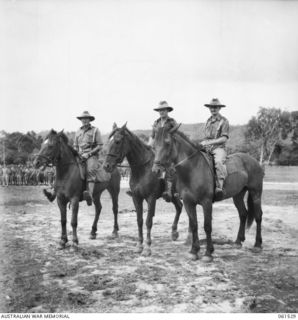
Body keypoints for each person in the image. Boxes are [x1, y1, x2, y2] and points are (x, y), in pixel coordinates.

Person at [44, 111, 103, 205]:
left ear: (89, 119)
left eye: (86, 118)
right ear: (81, 120)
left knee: (90, 170)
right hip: (79, 154)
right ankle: (54, 192)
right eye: (83, 119)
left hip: (91, 156)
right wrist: (75, 153)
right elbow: (75, 145)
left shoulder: (95, 130)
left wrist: (88, 154)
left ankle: (90, 195)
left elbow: (100, 145)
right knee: (64, 168)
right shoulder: (78, 131)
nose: (84, 120)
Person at [200, 98, 229, 199]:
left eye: (215, 107)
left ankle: (219, 187)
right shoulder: (208, 121)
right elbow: (206, 137)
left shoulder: (224, 121)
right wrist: (202, 143)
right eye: (211, 107)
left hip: (218, 148)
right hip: (206, 147)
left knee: (218, 162)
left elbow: (224, 138)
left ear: (219, 108)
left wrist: (209, 142)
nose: (213, 109)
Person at [149, 101, 178, 201]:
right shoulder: (156, 123)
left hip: (169, 148)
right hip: (158, 148)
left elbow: (176, 136)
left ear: (167, 111)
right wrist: (149, 146)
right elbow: (152, 137)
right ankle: (147, 189)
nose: (161, 112)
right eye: (160, 110)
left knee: (170, 166)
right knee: (150, 163)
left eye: (163, 110)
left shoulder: (172, 122)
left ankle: (169, 191)